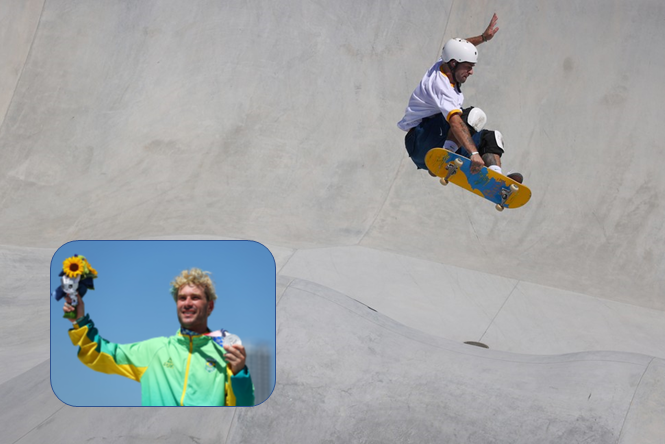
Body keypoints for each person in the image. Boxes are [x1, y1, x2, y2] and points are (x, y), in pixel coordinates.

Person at [63, 267, 255, 406]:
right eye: (182, 298)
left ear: (210, 306)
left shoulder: (225, 354)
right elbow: (100, 354)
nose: (187, 303)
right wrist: (80, 320)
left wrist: (239, 374)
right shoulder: (154, 350)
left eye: (195, 297)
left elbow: (241, 409)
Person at [397, 14, 522, 182]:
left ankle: (496, 179)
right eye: (468, 67)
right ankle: (445, 158)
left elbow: (458, 46)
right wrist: (474, 153)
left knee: (492, 138)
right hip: (420, 141)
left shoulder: (445, 62)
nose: (471, 72)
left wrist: (483, 38)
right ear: (454, 64)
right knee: (473, 116)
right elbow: (455, 122)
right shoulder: (440, 85)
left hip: (436, 138)